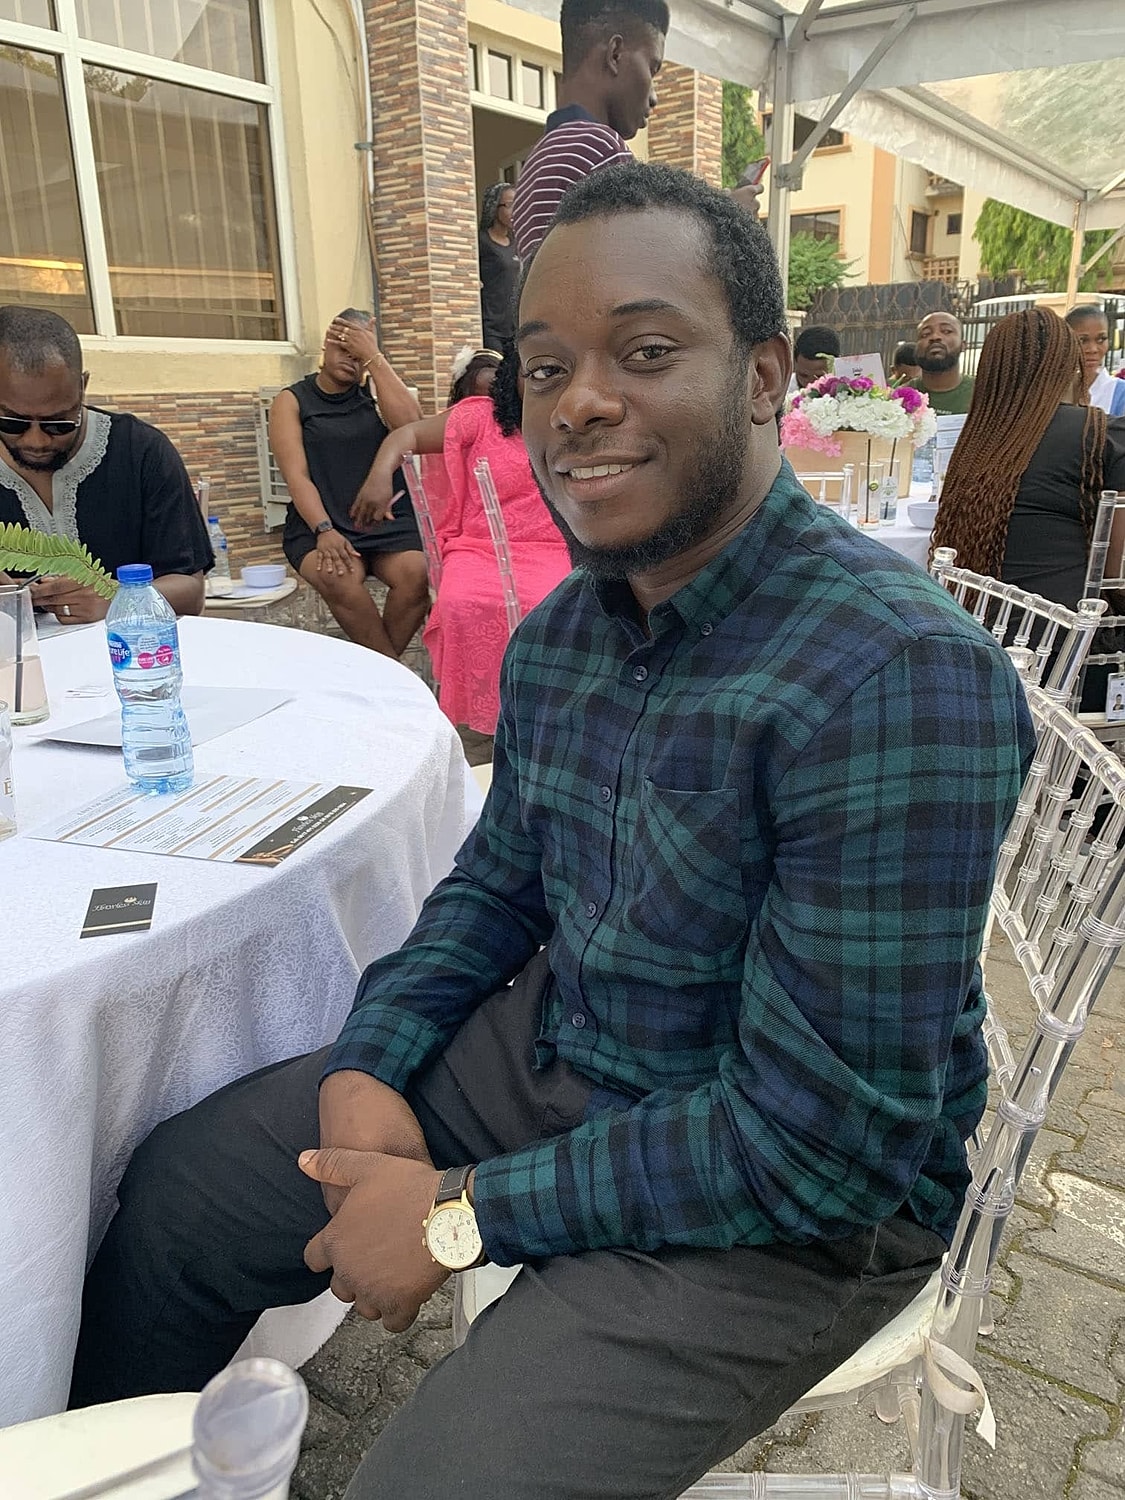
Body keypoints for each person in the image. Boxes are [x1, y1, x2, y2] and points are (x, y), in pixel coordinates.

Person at [70, 163, 1033, 1500]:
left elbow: (824, 1140)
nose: (578, 401)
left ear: (763, 374)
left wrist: (460, 1215)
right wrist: (372, 1061)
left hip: (784, 1199)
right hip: (565, 1060)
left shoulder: (893, 680)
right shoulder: (573, 627)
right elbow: (493, 885)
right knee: (183, 1200)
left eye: (645, 351)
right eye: (543, 365)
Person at [365, 347, 571, 734]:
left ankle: (542, 712)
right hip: (479, 546)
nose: (541, 383)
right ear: (513, 377)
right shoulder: (481, 416)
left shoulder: (573, 421)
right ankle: (476, 718)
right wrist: (379, 475)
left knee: (550, 606)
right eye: (532, 373)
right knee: (459, 602)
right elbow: (407, 433)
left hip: (550, 547)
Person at [0, 305, 211, 621]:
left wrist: (118, 599)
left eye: (59, 424)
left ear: (82, 387)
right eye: (13, 422)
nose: (37, 441)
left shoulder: (141, 452)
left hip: (134, 661)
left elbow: (191, 593)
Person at [511, 0, 760, 261]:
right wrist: (728, 224)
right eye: (652, 69)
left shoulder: (538, 159)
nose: (654, 97)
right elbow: (646, 271)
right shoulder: (601, 148)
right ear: (615, 54)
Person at [933, 307, 1125, 615]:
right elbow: (1116, 573)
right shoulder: (1102, 434)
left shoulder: (977, 440)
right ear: (1068, 365)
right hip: (1063, 641)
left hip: (979, 630)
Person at [269, 310, 429, 658]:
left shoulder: (376, 395)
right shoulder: (293, 401)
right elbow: (296, 476)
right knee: (338, 576)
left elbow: (413, 430)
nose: (351, 361)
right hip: (320, 522)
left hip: (386, 525)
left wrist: (376, 359)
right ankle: (391, 673)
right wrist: (324, 529)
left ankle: (381, 673)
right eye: (345, 350)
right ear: (327, 345)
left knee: (418, 573)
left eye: (360, 356)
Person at [478, 185, 521, 353]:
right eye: (510, 205)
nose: (515, 211)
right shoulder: (481, 242)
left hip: (513, 328)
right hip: (491, 327)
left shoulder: (516, 243)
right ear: (495, 208)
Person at [908, 311, 975, 414]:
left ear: (963, 345)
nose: (935, 337)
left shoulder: (984, 394)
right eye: (925, 334)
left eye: (946, 331)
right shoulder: (898, 398)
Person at [1065, 304, 1125, 417]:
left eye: (1101, 339)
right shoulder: (1053, 391)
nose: (1093, 349)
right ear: (1066, 342)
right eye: (1083, 340)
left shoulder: (1120, 393)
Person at [792, 324, 841, 389]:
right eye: (803, 376)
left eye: (819, 377)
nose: (810, 384)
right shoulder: (782, 391)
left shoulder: (851, 392)